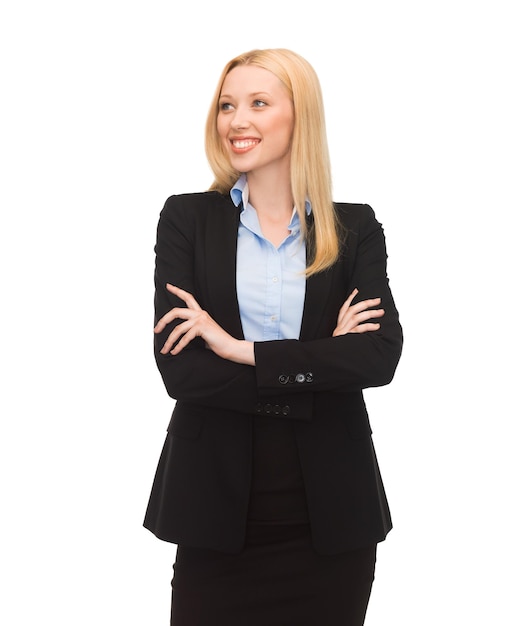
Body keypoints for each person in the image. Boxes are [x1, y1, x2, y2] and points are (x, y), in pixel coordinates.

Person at [144, 48, 403, 626]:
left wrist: (242, 351)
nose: (237, 121)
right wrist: (320, 363)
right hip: (215, 511)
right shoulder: (187, 220)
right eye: (227, 105)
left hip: (332, 517)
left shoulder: (353, 227)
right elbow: (182, 370)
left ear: (299, 114)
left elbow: (379, 356)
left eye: (259, 103)